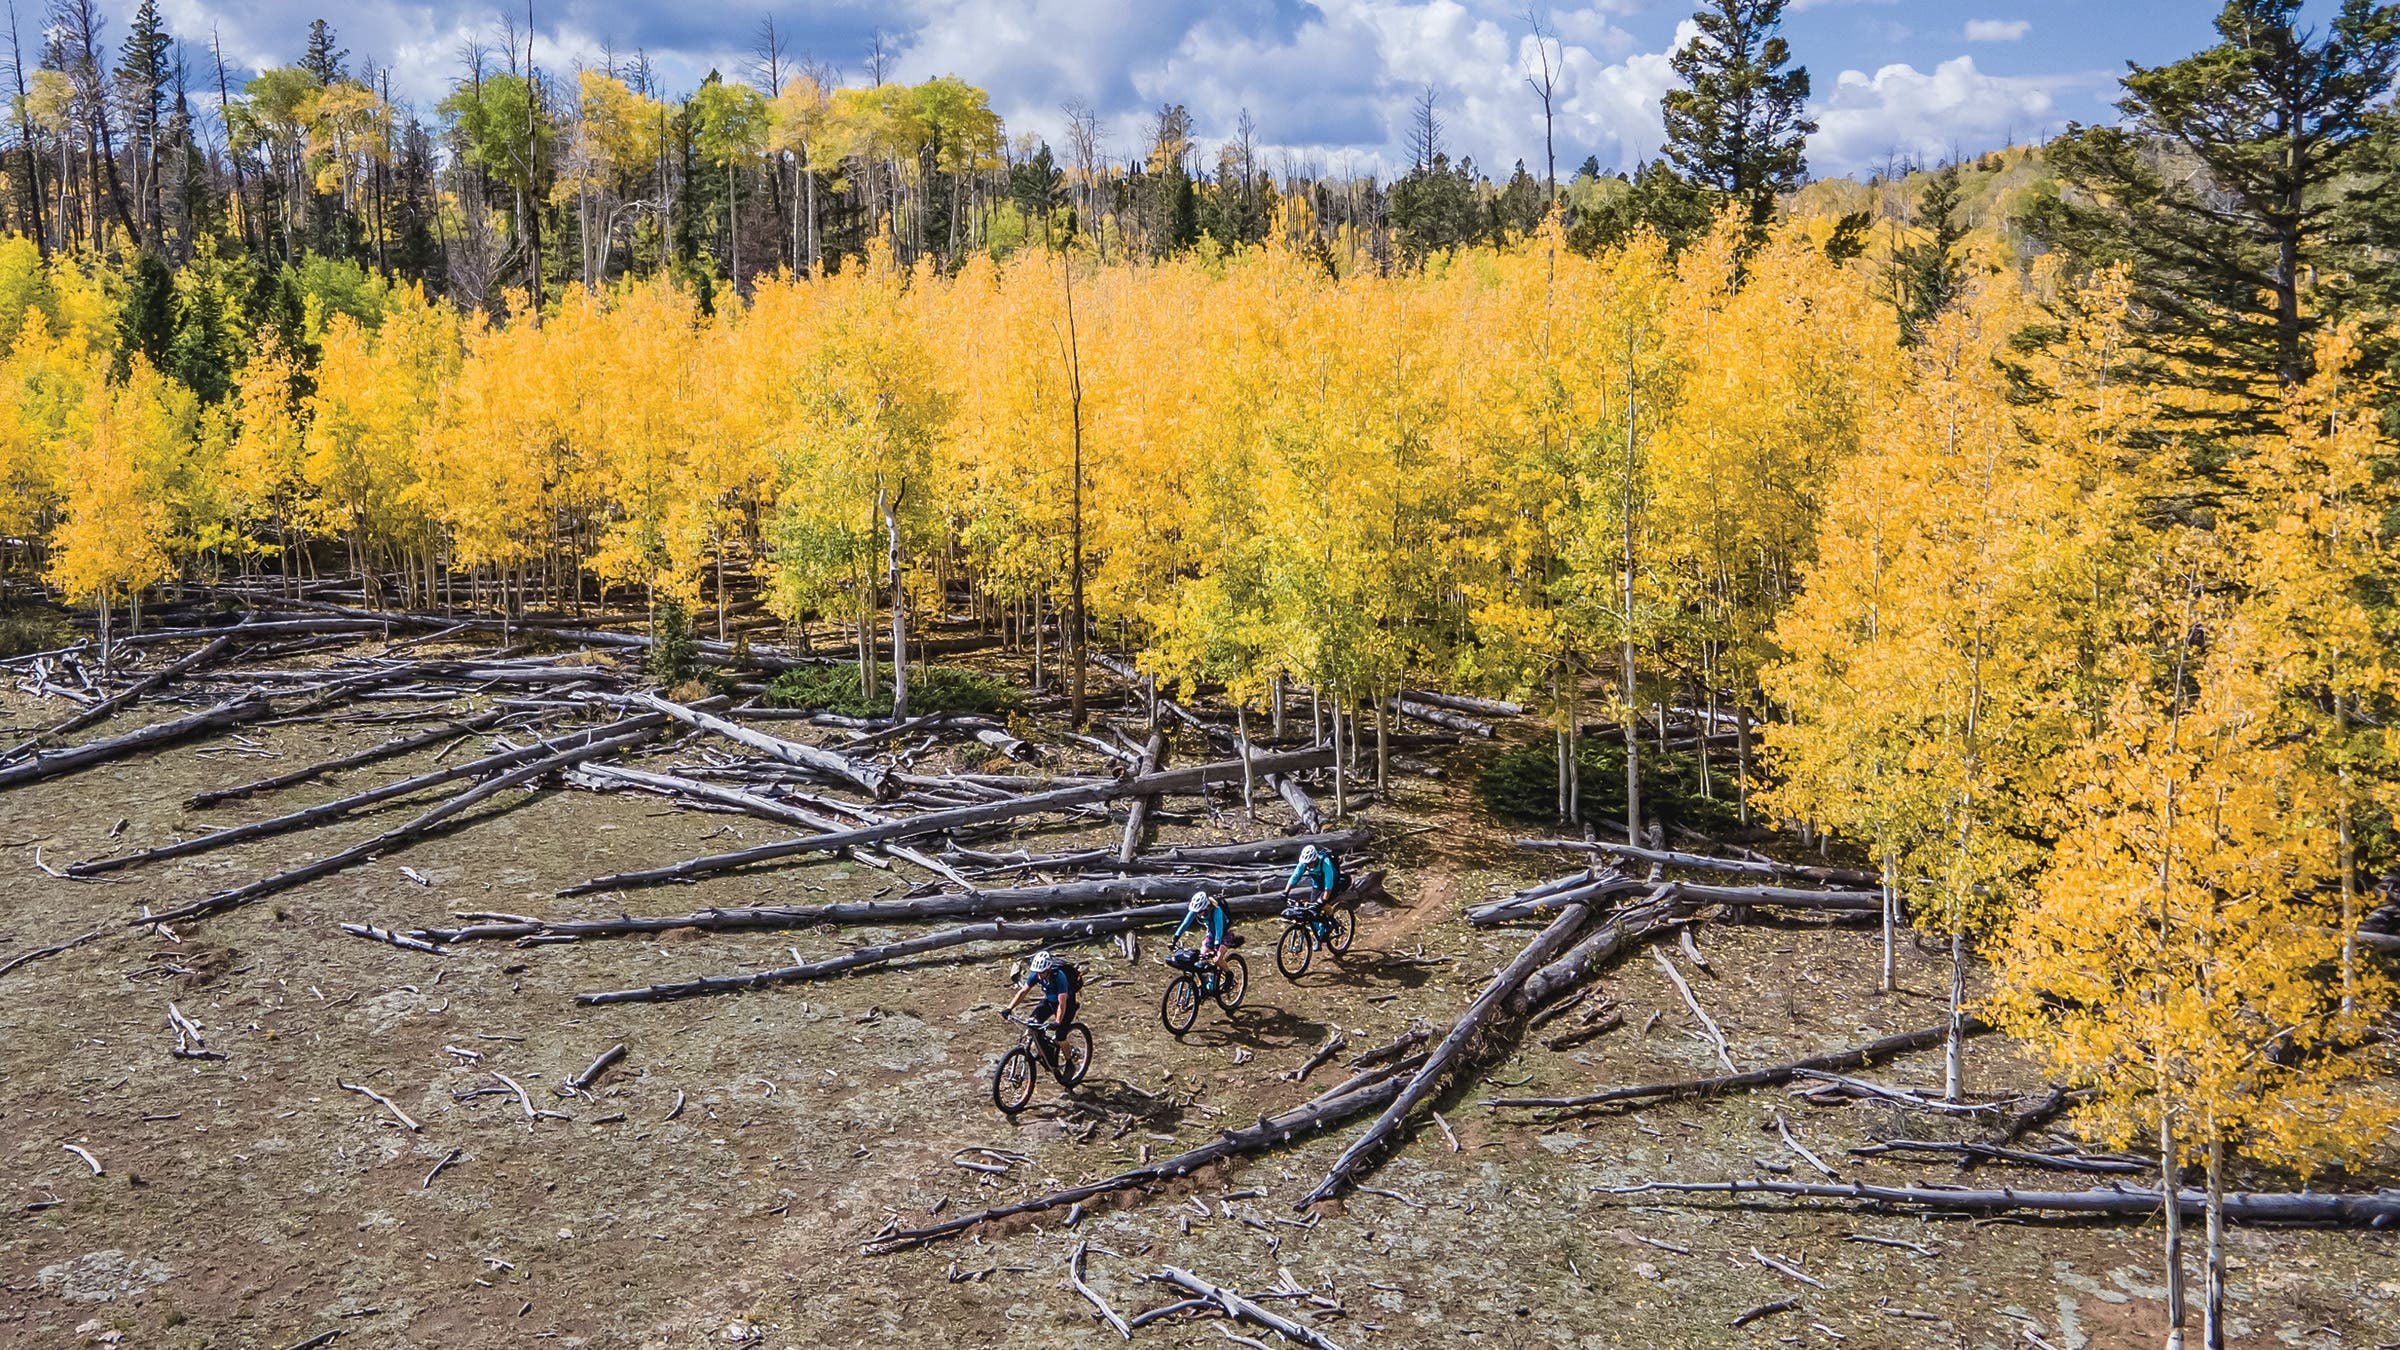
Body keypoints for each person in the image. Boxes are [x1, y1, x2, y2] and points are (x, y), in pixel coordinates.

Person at [1006, 949, 1077, 1062]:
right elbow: (1023, 992)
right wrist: (1009, 1008)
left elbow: (1062, 1002)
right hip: (1049, 1001)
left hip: (1066, 1004)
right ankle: (1046, 1052)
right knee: (1033, 1023)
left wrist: (1057, 1021)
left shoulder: (1059, 977)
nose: (1039, 975)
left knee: (1060, 1037)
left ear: (1048, 969)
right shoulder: (1036, 975)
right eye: (1037, 972)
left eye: (1042, 972)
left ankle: (1069, 1061)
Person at [1172, 889, 1234, 975]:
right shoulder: (1197, 910)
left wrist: (1216, 947)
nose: (1198, 914)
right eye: (1196, 912)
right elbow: (1185, 924)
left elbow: (1218, 930)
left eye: (1200, 912)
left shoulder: (1217, 910)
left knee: (1217, 959)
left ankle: (1229, 975)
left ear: (1207, 907)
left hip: (1224, 935)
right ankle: (1208, 982)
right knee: (1201, 958)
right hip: (1211, 934)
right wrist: (1175, 939)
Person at [1283, 844, 1343, 911]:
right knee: (1311, 910)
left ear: (1315, 859)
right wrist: (1286, 892)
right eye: (1306, 864)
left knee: (1320, 906)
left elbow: (1329, 884)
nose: (1308, 866)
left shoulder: (1325, 862)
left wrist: (1323, 900)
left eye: (1309, 863)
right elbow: (1295, 877)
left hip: (1332, 885)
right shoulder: (1304, 863)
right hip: (1317, 886)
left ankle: (1330, 919)